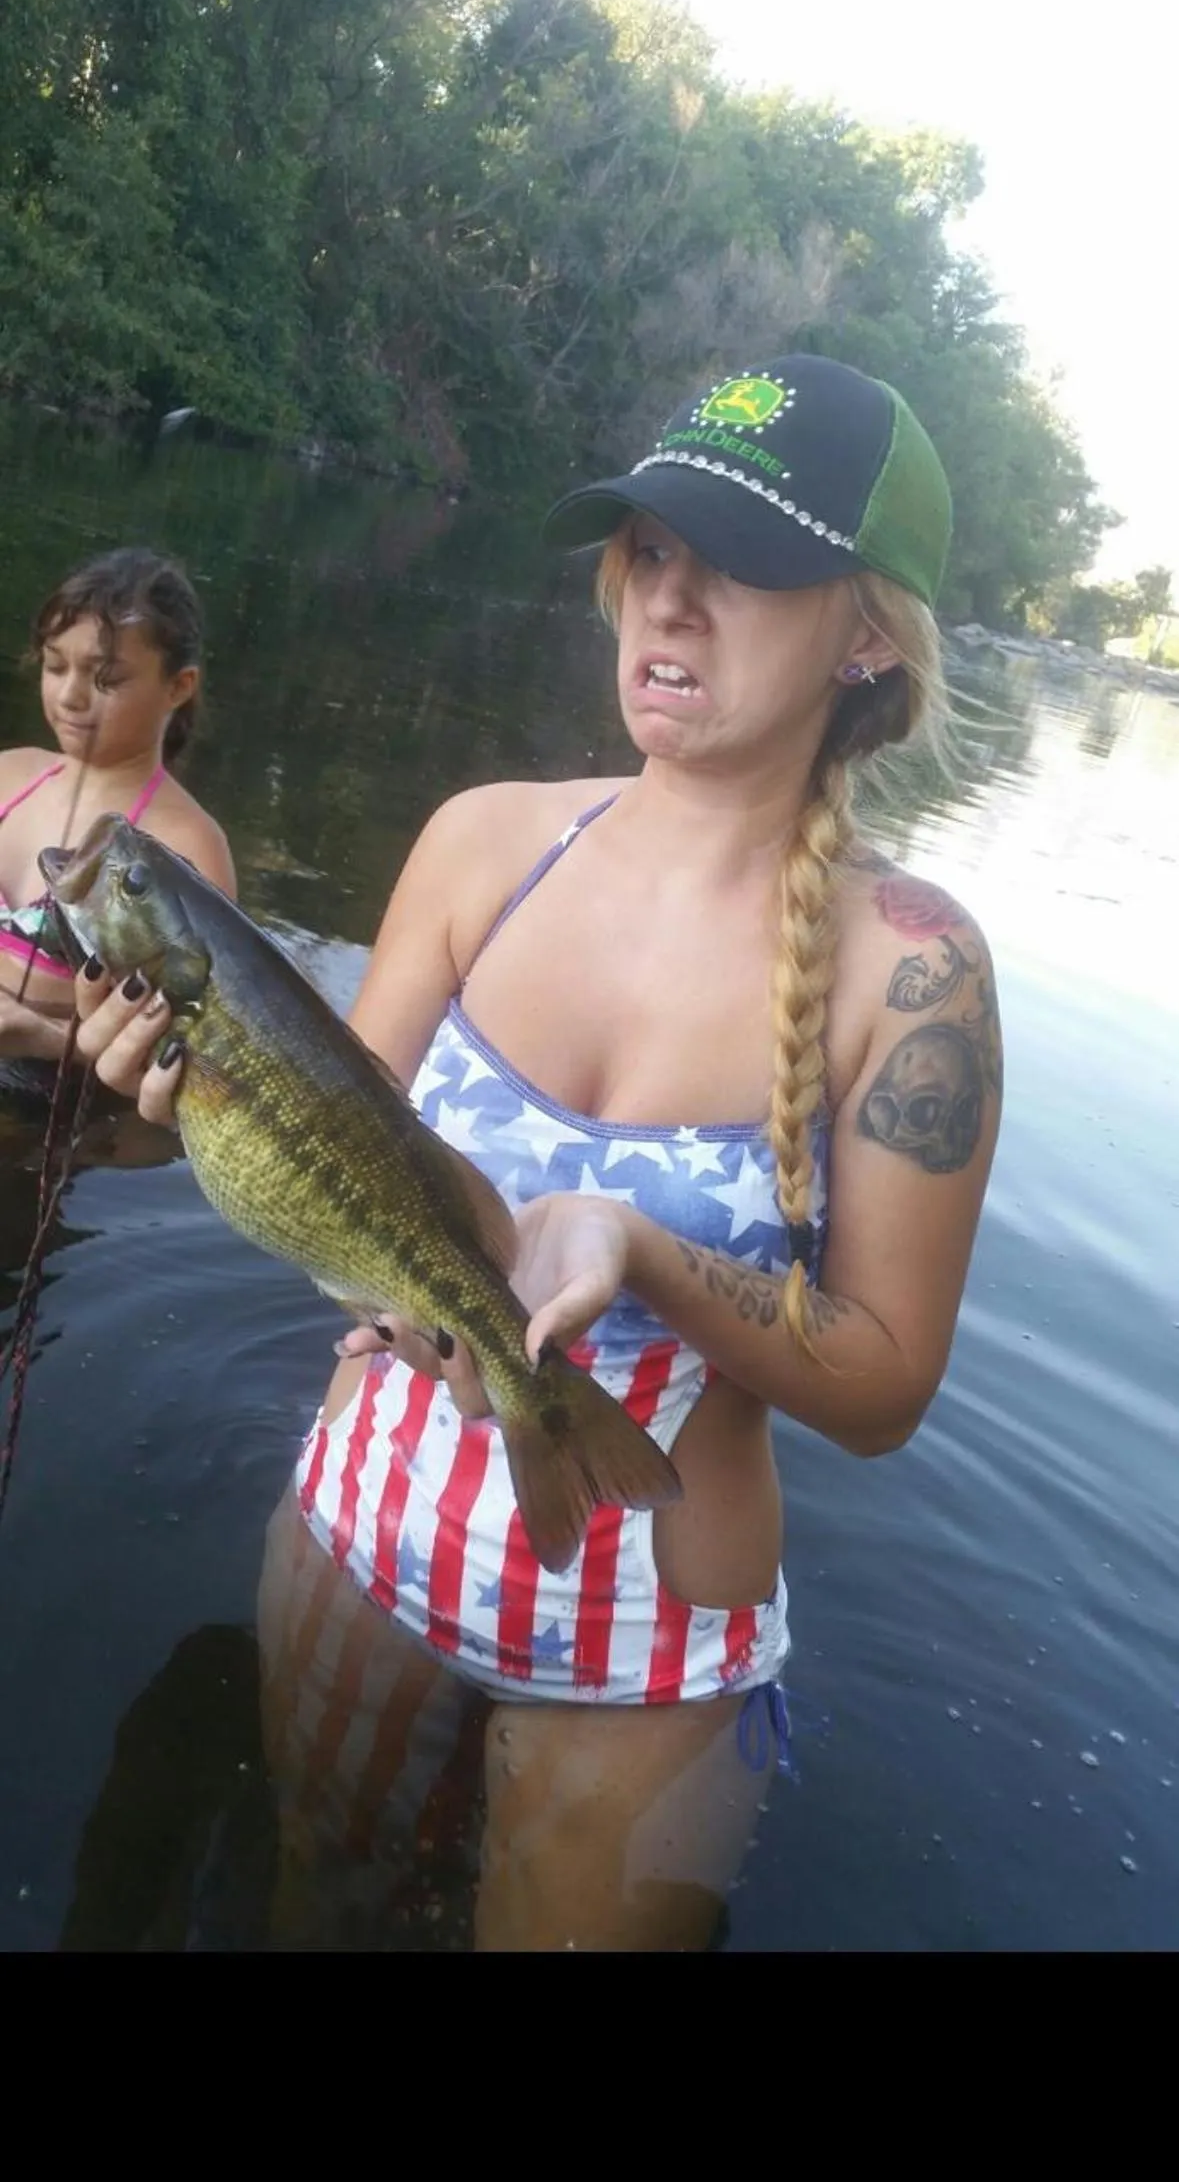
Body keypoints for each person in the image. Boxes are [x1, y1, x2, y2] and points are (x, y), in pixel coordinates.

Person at [73, 356, 1003, 1952]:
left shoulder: (910, 972)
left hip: (650, 1629)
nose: (670, 600)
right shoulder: (483, 840)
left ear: (865, 631)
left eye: (744, 563)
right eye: (646, 551)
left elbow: (883, 1381)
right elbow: (331, 1146)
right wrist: (173, 1084)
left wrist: (642, 1252)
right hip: (365, 1526)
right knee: (321, 1909)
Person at [0, 546, 235, 1112]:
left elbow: (195, 1060)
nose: (70, 695)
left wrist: (41, 1037)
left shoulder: (189, 850)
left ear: (178, 687)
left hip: (44, 1106)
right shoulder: (10, 773)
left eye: (105, 679)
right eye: (55, 666)